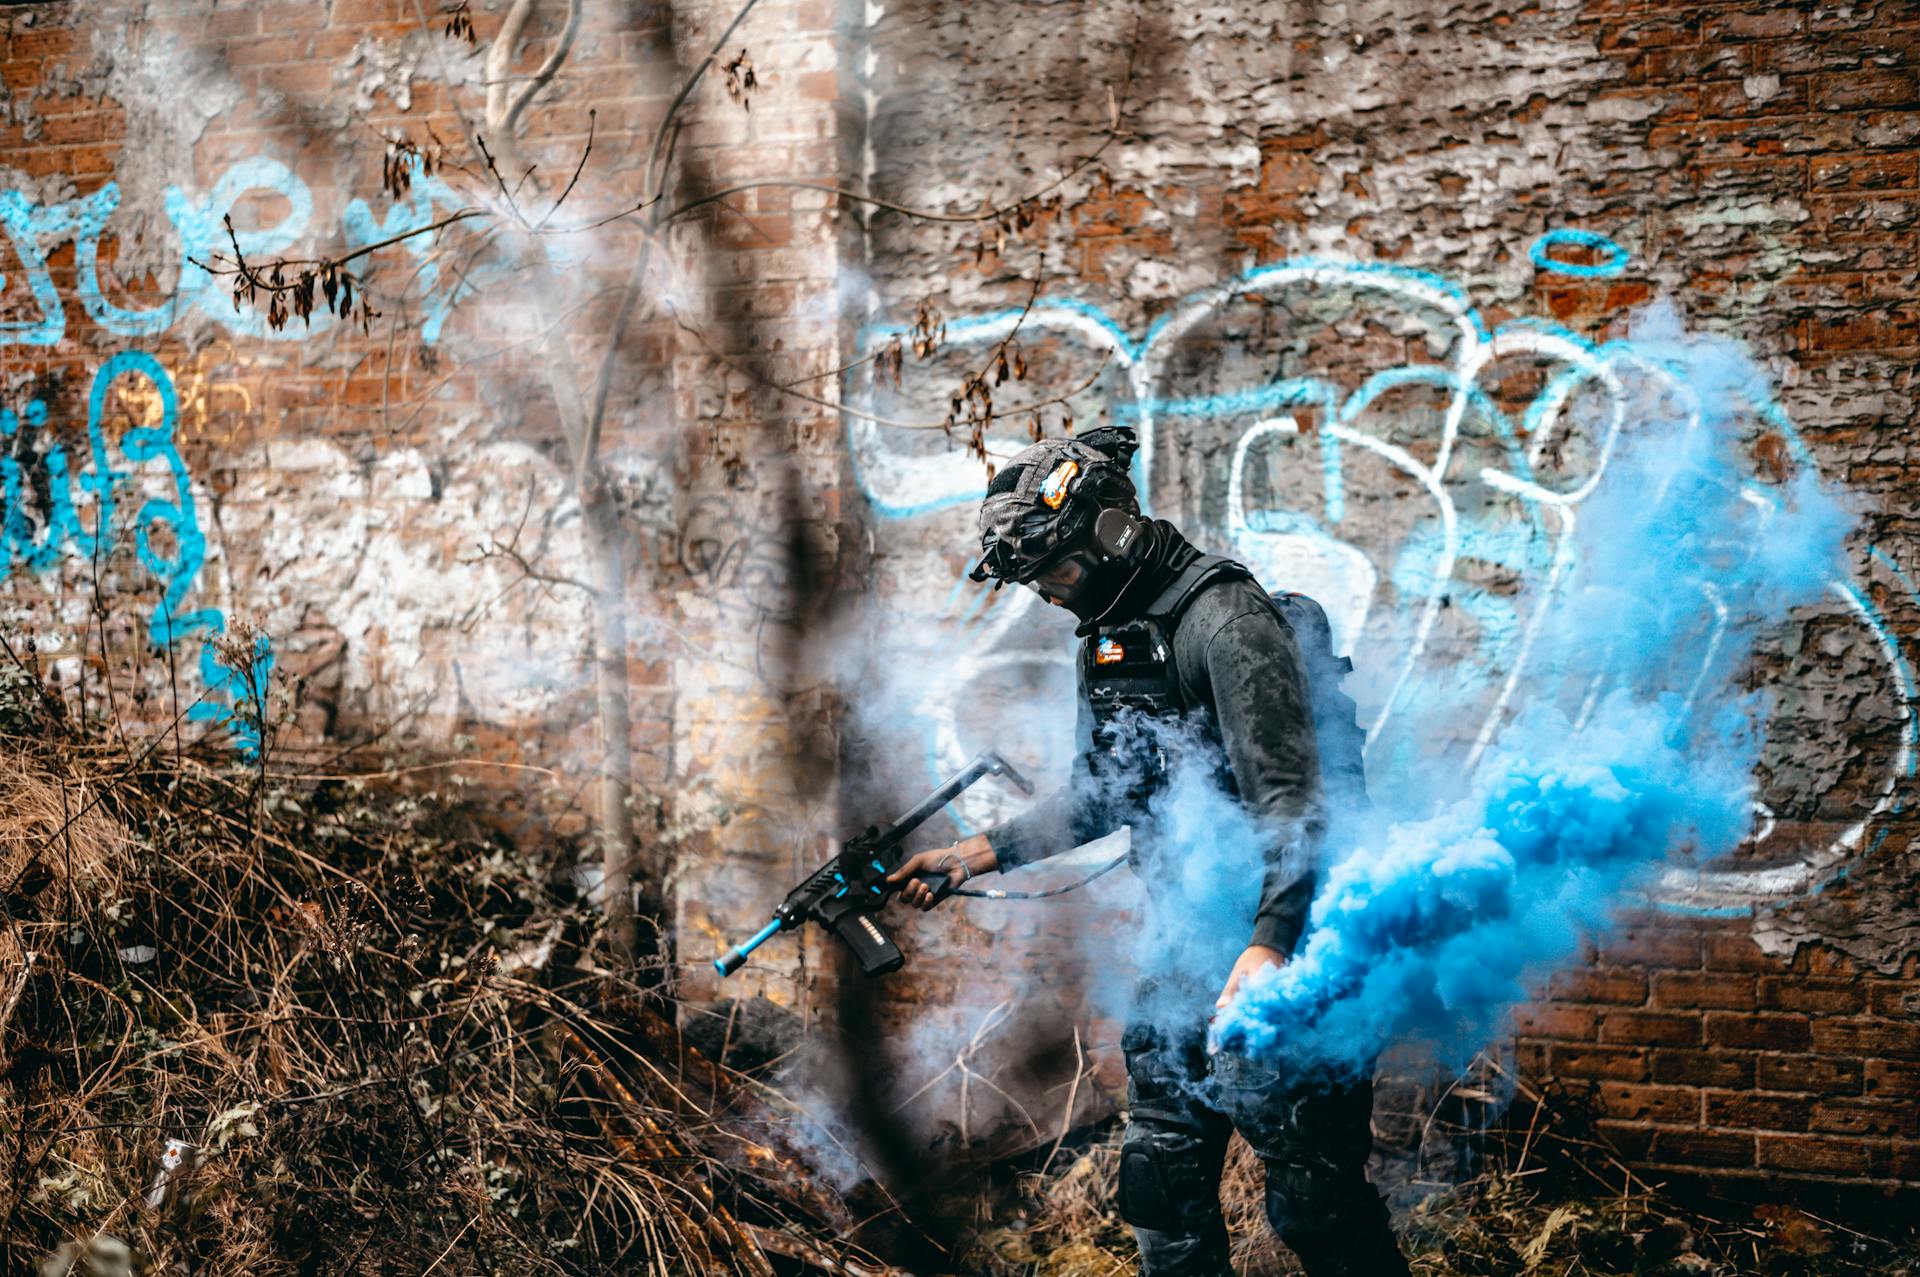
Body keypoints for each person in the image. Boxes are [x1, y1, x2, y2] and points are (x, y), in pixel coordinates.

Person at [887, 427, 1409, 1277]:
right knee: (1161, 1186)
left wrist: (1271, 941)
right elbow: (1107, 789)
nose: (1050, 597)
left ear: (1110, 535)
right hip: (1184, 943)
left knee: (1318, 1207)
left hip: (1285, 949)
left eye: (1055, 573)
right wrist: (980, 851)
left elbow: (1297, 805)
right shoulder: (1109, 635)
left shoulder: (1227, 623)